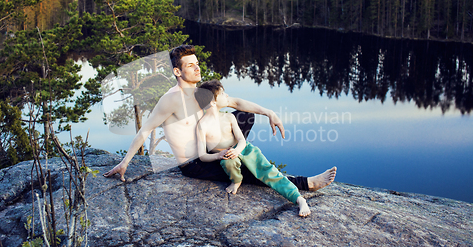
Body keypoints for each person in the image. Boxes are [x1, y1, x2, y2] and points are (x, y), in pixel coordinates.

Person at [103, 45, 336, 195]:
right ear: (177, 72)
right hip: (197, 163)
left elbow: (236, 103)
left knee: (245, 116)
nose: (197, 68)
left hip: (214, 146)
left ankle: (236, 154)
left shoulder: (201, 92)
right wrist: (125, 163)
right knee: (248, 168)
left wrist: (270, 112)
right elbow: (145, 130)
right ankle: (306, 184)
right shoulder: (171, 100)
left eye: (197, 63)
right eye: (190, 65)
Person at [195, 80, 312, 216]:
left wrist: (238, 150)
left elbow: (242, 140)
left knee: (268, 171)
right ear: (212, 102)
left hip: (244, 150)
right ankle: (236, 180)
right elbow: (202, 155)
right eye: (222, 94)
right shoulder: (202, 126)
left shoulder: (229, 117)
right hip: (226, 156)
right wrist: (218, 155)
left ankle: (299, 199)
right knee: (229, 162)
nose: (227, 96)